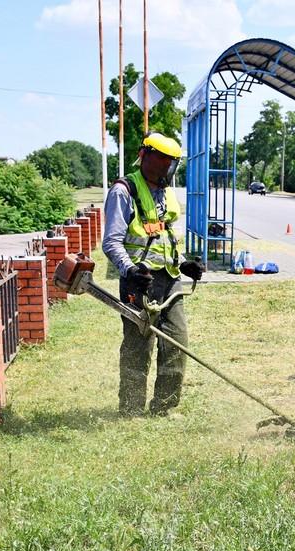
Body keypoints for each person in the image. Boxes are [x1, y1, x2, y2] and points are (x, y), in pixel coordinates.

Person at [101, 132, 204, 417]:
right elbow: (111, 243)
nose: (166, 169)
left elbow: (161, 236)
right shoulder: (124, 191)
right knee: (138, 346)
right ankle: (131, 409)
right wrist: (130, 270)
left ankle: (164, 408)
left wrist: (183, 263)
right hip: (139, 282)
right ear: (144, 156)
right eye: (161, 162)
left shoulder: (165, 191)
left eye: (171, 164)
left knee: (176, 342)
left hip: (170, 280)